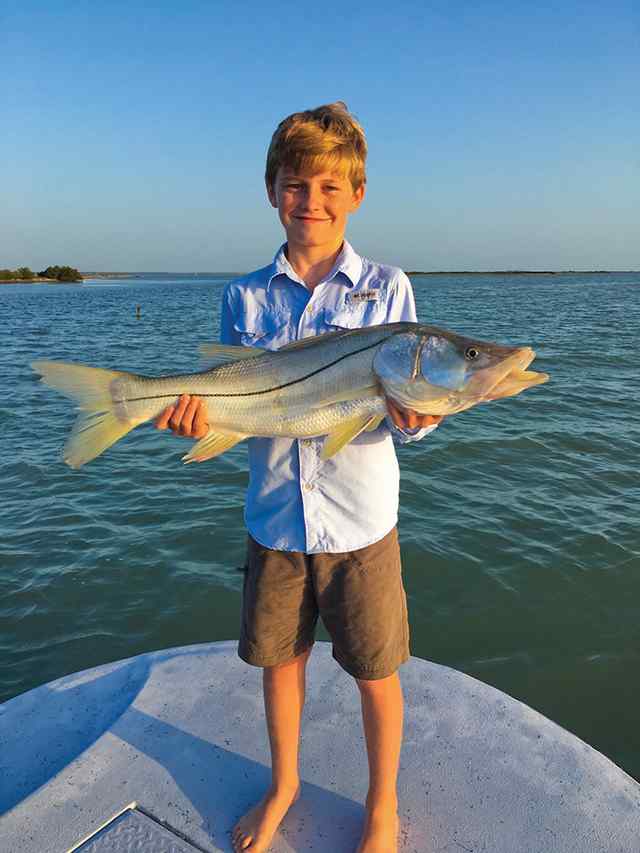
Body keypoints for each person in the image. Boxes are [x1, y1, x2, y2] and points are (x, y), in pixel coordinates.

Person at [155, 102, 443, 853]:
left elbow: (411, 403)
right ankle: (283, 783)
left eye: (326, 186)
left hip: (361, 526)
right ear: (271, 189)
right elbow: (227, 397)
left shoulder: (388, 288)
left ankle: (381, 803)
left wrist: (421, 417)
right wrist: (199, 419)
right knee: (279, 667)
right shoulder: (243, 297)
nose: (309, 201)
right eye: (294, 184)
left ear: (356, 193)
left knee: (377, 672)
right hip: (275, 521)